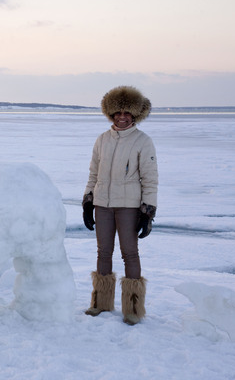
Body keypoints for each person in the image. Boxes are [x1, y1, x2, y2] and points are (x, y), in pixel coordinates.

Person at [82, 86, 158, 325]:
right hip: (102, 204)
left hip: (128, 206)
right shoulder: (102, 139)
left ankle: (133, 309)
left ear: (135, 115)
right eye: (118, 113)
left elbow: (150, 178)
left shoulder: (143, 141)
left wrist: (147, 212)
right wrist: (87, 201)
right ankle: (100, 304)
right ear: (111, 114)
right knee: (103, 252)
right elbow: (93, 173)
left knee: (129, 253)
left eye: (127, 113)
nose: (122, 117)